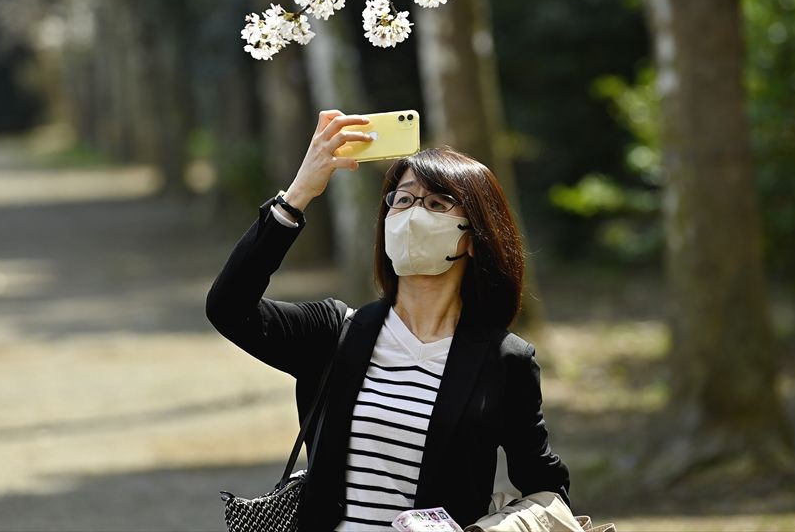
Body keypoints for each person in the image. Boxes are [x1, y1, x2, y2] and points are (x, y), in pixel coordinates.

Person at [206, 109, 571, 531]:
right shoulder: (334, 333)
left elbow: (547, 489)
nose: (414, 213)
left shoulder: (505, 360)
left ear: (472, 237)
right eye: (403, 199)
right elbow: (228, 308)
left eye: (436, 203)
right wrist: (298, 194)